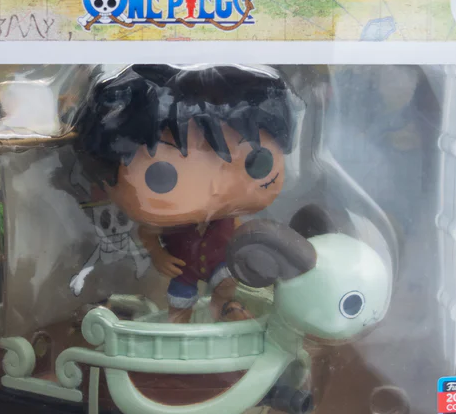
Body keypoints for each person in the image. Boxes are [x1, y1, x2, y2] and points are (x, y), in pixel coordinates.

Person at [73, 64, 294, 322]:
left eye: (256, 162)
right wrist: (158, 255)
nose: (215, 190)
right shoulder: (165, 223)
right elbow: (147, 234)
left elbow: (240, 230)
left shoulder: (227, 216)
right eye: (161, 176)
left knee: (226, 284)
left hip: (220, 264)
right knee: (180, 302)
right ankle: (180, 328)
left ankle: (223, 306)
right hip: (183, 271)